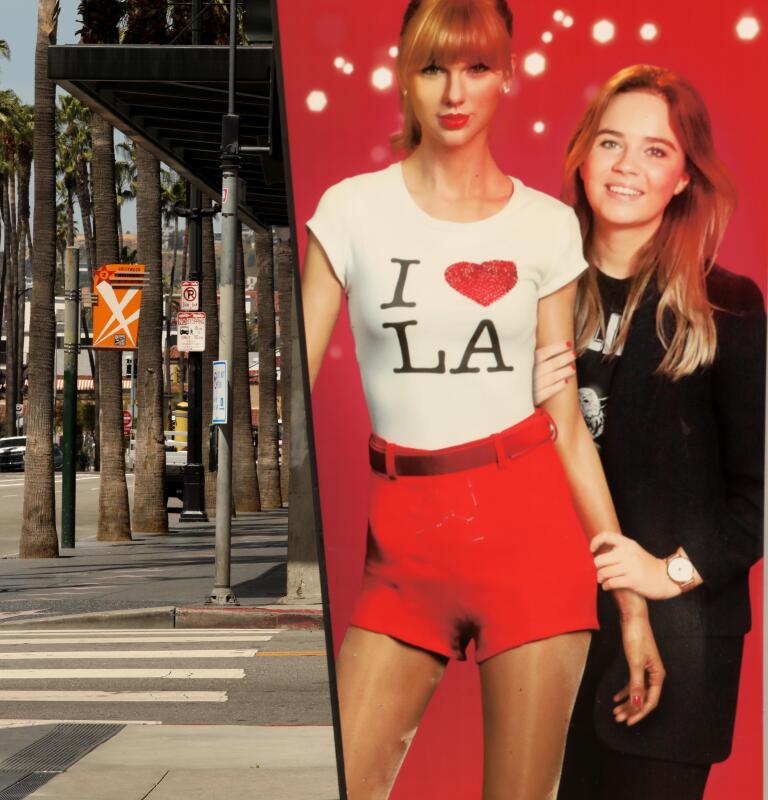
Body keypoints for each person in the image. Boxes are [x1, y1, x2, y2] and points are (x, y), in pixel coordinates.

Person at [300, 2, 665, 797]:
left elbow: (566, 425)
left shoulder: (542, 228)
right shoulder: (351, 211)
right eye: (433, 67)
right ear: (405, 72)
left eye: (475, 67)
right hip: (398, 553)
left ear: (507, 74)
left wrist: (631, 603)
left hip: (528, 543)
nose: (453, 91)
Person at [530, 66, 764, 800]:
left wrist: (669, 573)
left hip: (679, 641)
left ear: (686, 177)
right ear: (581, 155)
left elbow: (760, 495)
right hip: (546, 631)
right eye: (611, 142)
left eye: (656, 151)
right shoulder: (531, 301)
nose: (628, 166)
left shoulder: (725, 305)